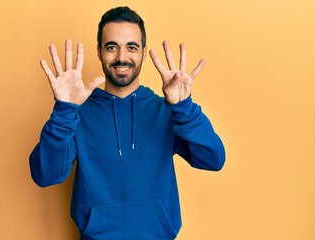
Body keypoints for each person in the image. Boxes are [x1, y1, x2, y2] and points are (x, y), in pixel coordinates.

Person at [30, 6, 225, 240]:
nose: (122, 57)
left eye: (131, 47)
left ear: (143, 52)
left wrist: (184, 108)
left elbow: (213, 159)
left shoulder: (167, 110)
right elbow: (45, 175)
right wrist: (64, 111)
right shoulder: (76, 114)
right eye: (112, 47)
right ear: (100, 53)